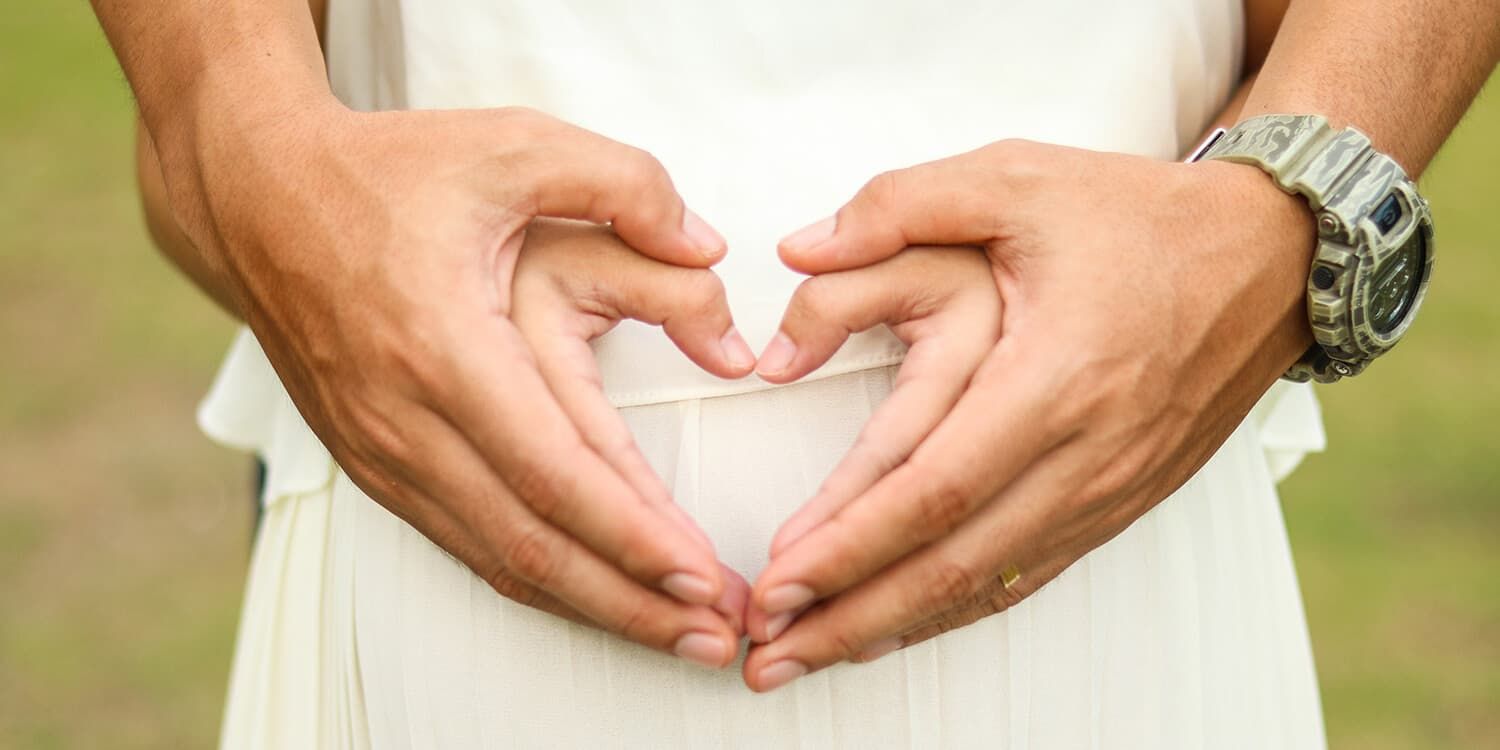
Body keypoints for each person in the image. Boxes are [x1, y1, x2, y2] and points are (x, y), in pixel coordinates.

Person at [104, 0, 1497, 746]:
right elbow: (221, 108)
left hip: (1108, 551)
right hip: (435, 571)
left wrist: (1276, 212)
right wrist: (249, 140)